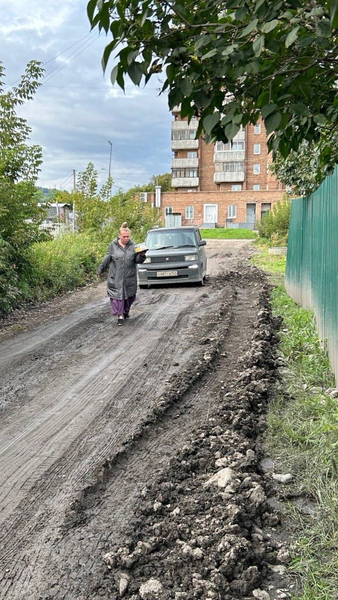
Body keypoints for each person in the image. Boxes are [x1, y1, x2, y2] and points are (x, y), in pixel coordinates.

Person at [97, 222, 147, 325]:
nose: (126, 238)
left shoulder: (133, 245)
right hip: (116, 276)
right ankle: (120, 316)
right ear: (119, 236)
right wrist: (100, 270)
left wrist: (142, 255)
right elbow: (106, 259)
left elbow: (137, 260)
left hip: (129, 277)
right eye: (124, 236)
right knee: (117, 297)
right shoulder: (113, 245)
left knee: (129, 297)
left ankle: (125, 311)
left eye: (128, 236)